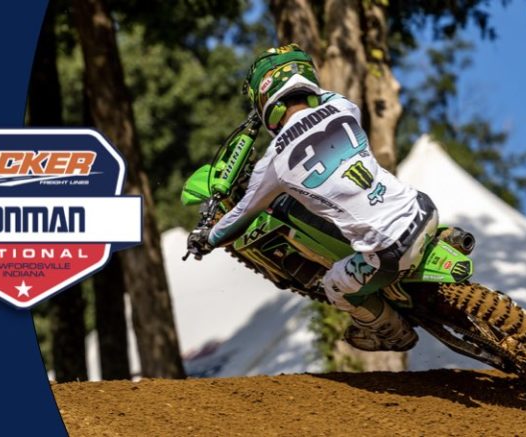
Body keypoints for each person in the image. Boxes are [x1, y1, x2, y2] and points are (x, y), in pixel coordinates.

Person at [187, 43, 438, 352]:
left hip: (388, 251)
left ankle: (394, 332)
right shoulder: (344, 109)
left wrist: (207, 238)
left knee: (335, 288)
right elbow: (327, 97)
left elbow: (241, 216)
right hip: (425, 209)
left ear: (265, 99)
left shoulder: (274, 162)